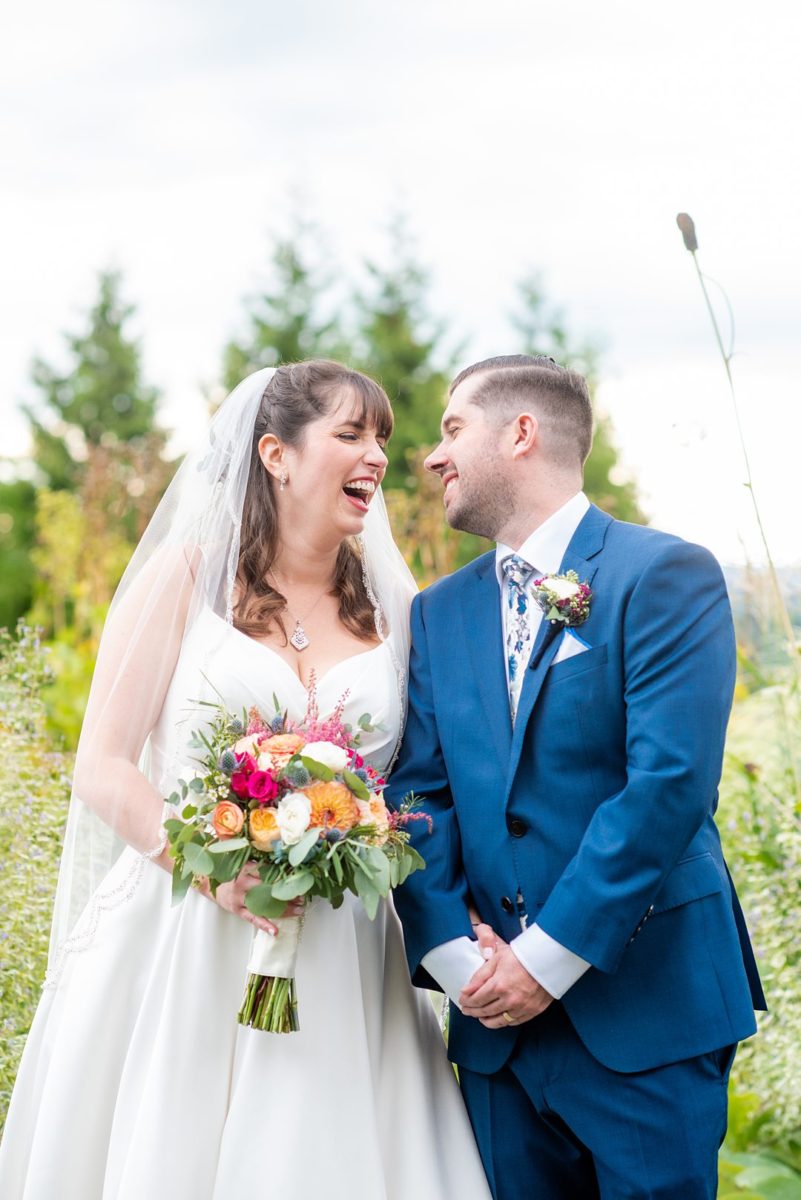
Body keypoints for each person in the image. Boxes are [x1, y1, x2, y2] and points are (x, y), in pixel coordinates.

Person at [0, 361, 491, 1200]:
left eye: (381, 437)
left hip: (343, 944)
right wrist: (212, 869)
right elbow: (104, 765)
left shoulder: (398, 611)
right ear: (275, 453)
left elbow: (423, 788)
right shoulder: (185, 581)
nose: (376, 455)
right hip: (183, 929)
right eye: (350, 434)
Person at [387, 354, 766, 1200]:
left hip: (644, 1007)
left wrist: (546, 961)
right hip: (493, 1034)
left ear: (520, 433)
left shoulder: (663, 574)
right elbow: (417, 795)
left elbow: (667, 784)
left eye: (453, 430)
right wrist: (459, 962)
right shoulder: (437, 612)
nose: (432, 456)